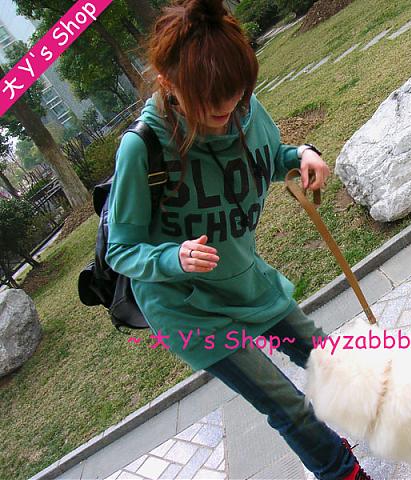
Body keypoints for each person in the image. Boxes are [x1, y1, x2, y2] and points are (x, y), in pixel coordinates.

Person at [105, 1, 373, 479]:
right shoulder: (142, 148)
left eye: (235, 97)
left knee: (327, 358)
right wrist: (174, 257)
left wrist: (302, 155)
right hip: (187, 308)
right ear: (168, 84)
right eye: (210, 103)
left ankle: (394, 423)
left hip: (244, 279)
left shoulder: (244, 110)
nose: (225, 113)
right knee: (287, 403)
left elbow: (271, 157)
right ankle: (343, 472)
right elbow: (121, 249)